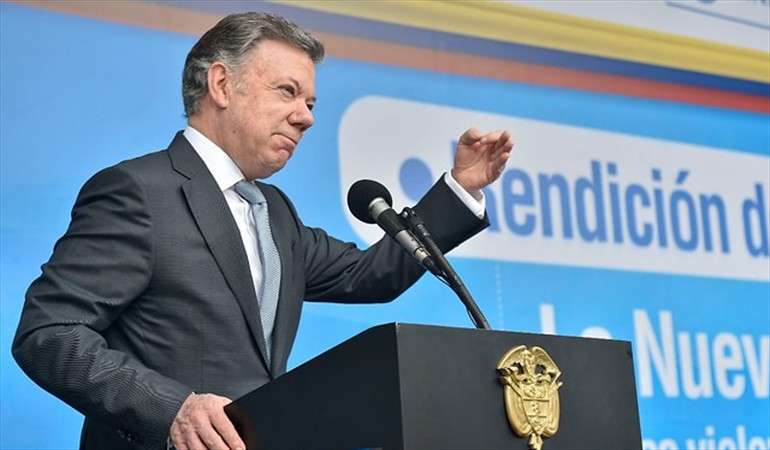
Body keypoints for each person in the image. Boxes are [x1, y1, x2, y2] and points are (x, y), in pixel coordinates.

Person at [12, 12, 513, 450]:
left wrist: (461, 188)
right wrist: (173, 409)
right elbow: (48, 333)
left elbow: (370, 275)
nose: (306, 118)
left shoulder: (274, 211)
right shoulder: (138, 192)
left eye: (311, 102)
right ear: (221, 85)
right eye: (288, 92)